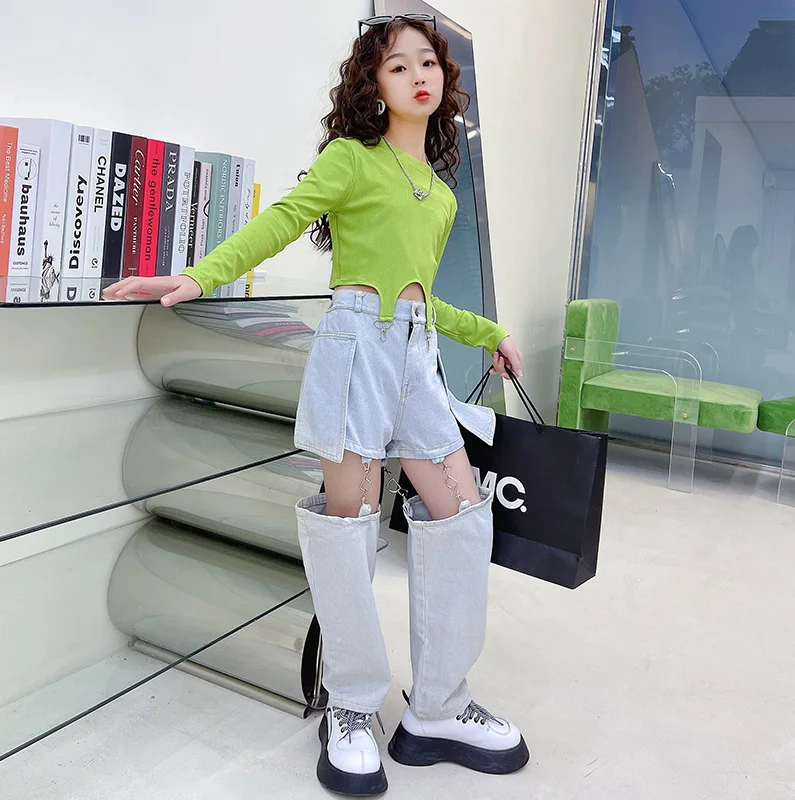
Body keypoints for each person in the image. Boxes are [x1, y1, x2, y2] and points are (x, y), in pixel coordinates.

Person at [103, 14, 528, 797]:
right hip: (355, 349)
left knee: (463, 517)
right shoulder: (351, 159)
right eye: (397, 66)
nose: (418, 76)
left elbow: (424, 300)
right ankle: (352, 706)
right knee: (349, 528)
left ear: (444, 80)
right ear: (375, 86)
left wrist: (490, 332)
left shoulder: (439, 194)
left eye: (427, 62)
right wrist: (198, 276)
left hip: (417, 356)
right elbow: (283, 220)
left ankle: (438, 707)